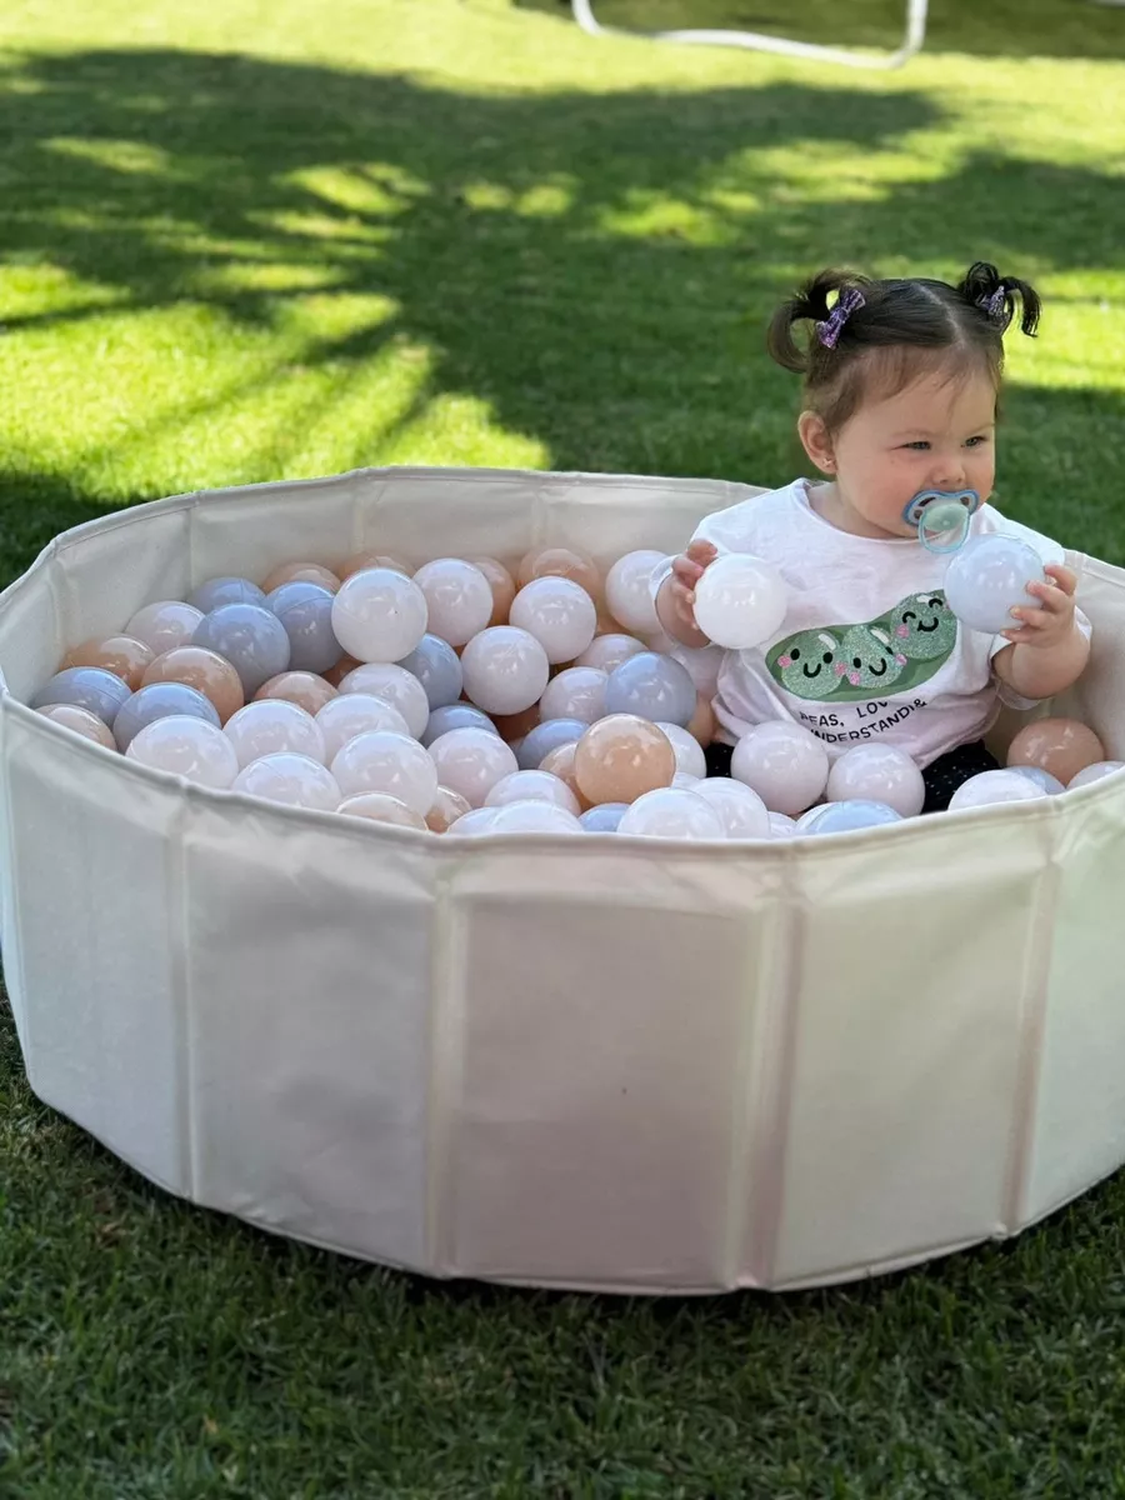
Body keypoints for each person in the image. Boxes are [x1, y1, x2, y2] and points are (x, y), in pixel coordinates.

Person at [654, 261, 1092, 812]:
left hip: (933, 764)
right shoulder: (753, 535)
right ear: (824, 444)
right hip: (759, 759)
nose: (953, 471)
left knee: (986, 825)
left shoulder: (1000, 560)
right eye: (918, 446)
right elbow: (691, 633)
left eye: (975, 440)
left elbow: (1029, 683)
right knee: (698, 812)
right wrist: (684, 603)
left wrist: (1050, 641)